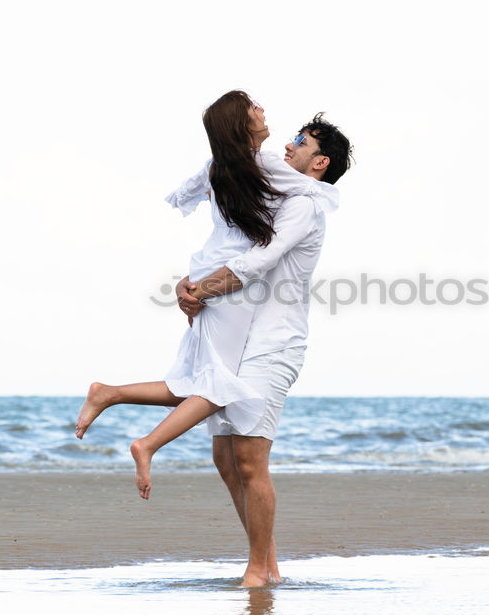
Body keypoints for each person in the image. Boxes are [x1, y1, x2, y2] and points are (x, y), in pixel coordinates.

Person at [74, 91, 337, 507]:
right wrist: (199, 287)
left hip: (212, 273)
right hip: (226, 284)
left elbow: (188, 193)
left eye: (300, 142)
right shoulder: (270, 171)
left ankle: (110, 394)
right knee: (216, 383)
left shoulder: (224, 168)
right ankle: (145, 441)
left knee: (199, 381)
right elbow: (307, 202)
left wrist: (195, 283)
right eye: (256, 109)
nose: (284, 138)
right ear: (242, 125)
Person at [176, 113, 353, 587]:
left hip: (274, 345)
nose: (288, 146)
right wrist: (189, 283)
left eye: (301, 142)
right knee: (225, 458)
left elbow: (257, 263)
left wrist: (199, 292)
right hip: (243, 338)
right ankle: (269, 565)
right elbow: (231, 245)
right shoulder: (281, 197)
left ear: (320, 162)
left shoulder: (304, 207)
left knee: (251, 459)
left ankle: (258, 570)